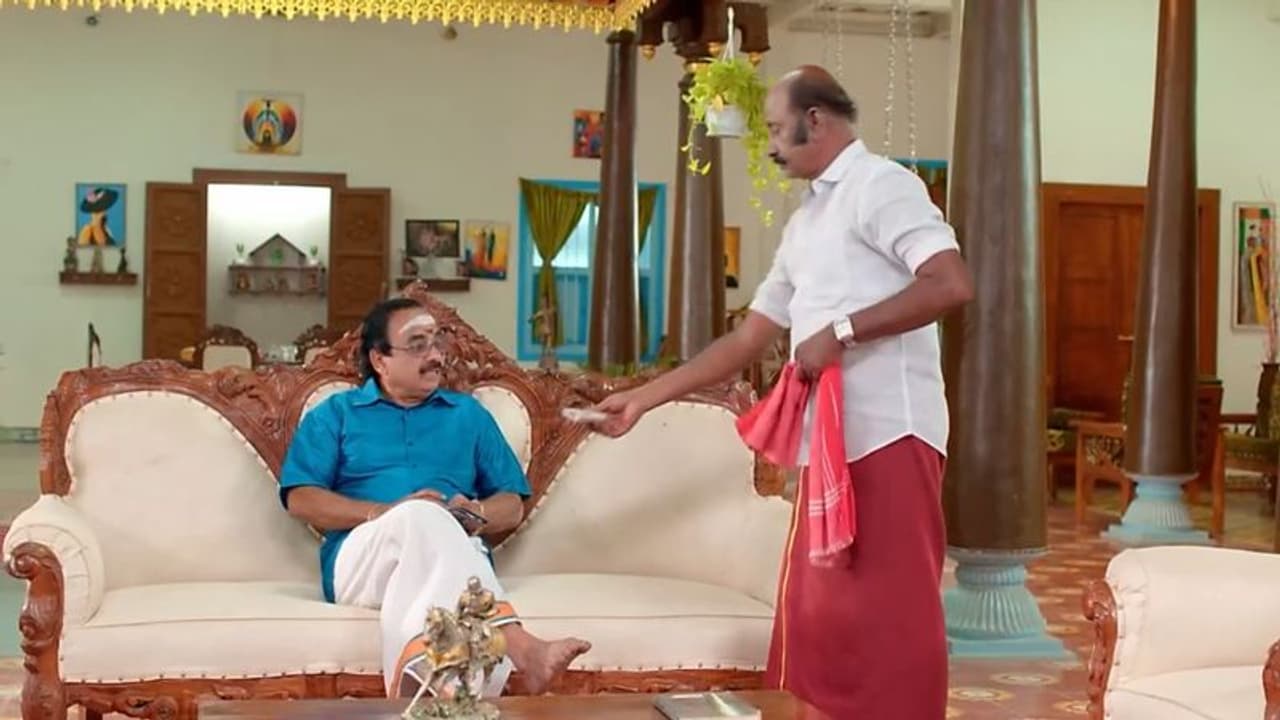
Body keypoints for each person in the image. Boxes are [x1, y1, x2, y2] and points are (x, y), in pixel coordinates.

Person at [591, 65, 973, 719]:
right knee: (815, 614)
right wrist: (644, 398)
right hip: (828, 446)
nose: (769, 145)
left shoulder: (882, 185)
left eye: (774, 129)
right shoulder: (806, 222)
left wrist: (842, 332)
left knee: (890, 614)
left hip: (891, 435)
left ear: (814, 120)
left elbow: (950, 283)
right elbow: (749, 338)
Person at [279, 297, 591, 698]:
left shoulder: (468, 415)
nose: (435, 356)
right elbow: (301, 498)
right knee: (420, 514)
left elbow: (512, 505)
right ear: (379, 359)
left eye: (437, 342)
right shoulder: (336, 414)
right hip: (362, 561)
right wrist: (385, 512)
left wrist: (474, 511)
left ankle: (437, 694)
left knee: (433, 523)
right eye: (417, 345)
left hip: (454, 548)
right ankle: (520, 645)